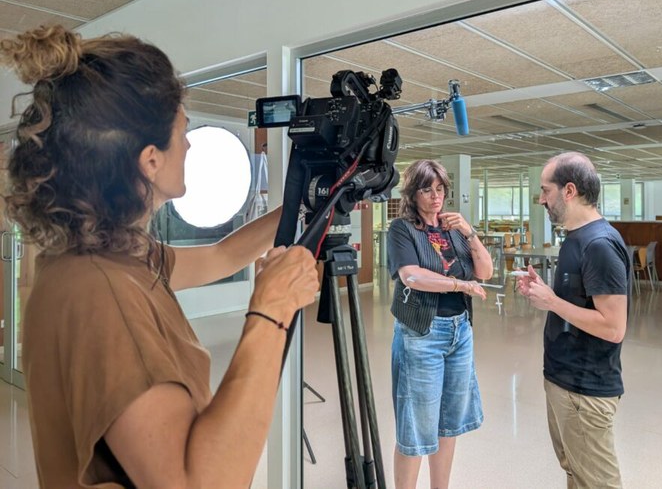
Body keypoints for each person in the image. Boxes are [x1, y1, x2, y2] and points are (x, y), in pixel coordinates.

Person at [0, 25, 320, 489]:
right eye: (183, 129)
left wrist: (307, 202)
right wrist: (270, 311)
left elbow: (222, 255)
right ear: (150, 160)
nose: (189, 144)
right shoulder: (101, 292)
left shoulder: (105, 255)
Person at [517, 152, 631, 489]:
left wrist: (553, 302)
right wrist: (546, 296)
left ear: (569, 191)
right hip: (562, 381)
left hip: (585, 389)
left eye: (545, 190)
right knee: (576, 474)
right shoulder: (574, 239)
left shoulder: (599, 244)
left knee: (596, 483)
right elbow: (575, 305)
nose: (541, 199)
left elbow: (613, 327)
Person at [386, 159, 493, 489]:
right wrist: (460, 285)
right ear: (413, 193)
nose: (436, 196)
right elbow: (412, 276)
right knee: (416, 426)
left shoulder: (453, 230)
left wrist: (469, 232)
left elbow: (485, 272)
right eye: (427, 189)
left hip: (459, 331)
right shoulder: (402, 229)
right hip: (422, 332)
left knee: (449, 423)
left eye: (440, 189)